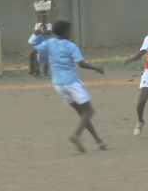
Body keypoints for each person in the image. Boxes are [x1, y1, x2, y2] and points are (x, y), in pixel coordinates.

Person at [35, 20, 107, 153]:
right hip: (72, 82)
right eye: (70, 30)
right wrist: (97, 68)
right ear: (66, 32)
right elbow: (81, 63)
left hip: (58, 84)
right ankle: (76, 135)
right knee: (89, 111)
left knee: (82, 114)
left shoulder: (49, 43)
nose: (71, 32)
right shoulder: (71, 46)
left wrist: (31, 65)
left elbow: (35, 48)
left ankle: (99, 141)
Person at [29, 11, 53, 76]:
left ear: (46, 17)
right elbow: (35, 32)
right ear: (40, 17)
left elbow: (49, 32)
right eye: (42, 16)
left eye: (44, 16)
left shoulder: (49, 24)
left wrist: (40, 30)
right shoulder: (37, 24)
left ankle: (46, 70)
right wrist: (43, 31)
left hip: (46, 45)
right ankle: (32, 69)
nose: (43, 18)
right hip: (39, 43)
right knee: (32, 54)